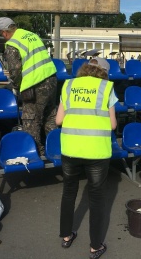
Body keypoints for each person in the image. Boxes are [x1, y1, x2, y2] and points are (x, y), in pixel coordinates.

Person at [56, 58, 117, 259]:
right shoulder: (106, 87)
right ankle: (95, 246)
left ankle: (66, 236)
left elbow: (58, 120)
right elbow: (113, 125)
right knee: (97, 198)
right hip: (96, 151)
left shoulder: (69, 85)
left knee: (69, 192)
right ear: (104, 72)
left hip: (71, 148)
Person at [0, 17, 57, 155]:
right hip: (51, 79)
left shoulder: (12, 44)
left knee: (31, 120)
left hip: (35, 85)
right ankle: (55, 149)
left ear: (4, 32)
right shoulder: (31, 35)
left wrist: (16, 85)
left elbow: (15, 70)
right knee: (50, 116)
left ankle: (35, 153)